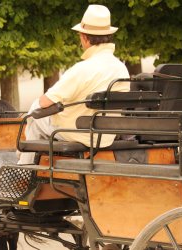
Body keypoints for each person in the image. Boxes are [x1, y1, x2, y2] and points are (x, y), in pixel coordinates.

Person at [18, 4, 130, 164]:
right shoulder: (121, 68)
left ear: (84, 37)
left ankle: (25, 171)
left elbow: (45, 102)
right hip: (107, 135)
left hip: (80, 133)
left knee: (35, 113)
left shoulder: (82, 69)